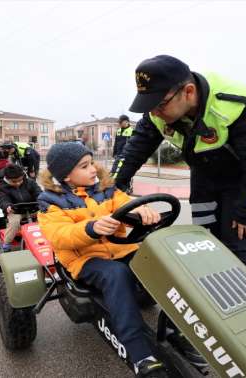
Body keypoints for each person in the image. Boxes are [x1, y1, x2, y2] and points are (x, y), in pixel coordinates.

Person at [115, 55, 246, 268]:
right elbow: (132, 153)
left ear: (189, 92)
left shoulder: (240, 105)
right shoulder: (156, 112)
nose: (154, 112)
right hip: (203, 176)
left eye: (160, 105)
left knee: (236, 246)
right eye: (149, 106)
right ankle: (206, 289)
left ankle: (236, 294)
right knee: (203, 242)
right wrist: (110, 187)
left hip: (241, 181)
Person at [37, 142, 166, 378]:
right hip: (85, 260)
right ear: (66, 175)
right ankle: (140, 355)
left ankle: (180, 330)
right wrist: (91, 228)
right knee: (116, 274)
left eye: (92, 162)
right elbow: (60, 237)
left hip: (120, 250)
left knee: (160, 260)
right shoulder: (50, 202)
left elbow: (126, 203)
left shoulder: (107, 189)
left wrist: (142, 212)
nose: (93, 169)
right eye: (84, 166)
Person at [0, 164, 42, 251]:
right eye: (14, 181)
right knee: (14, 223)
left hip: (33, 209)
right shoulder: (3, 188)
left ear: (23, 176)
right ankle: (7, 243)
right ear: (7, 179)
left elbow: (38, 192)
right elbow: (3, 200)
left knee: (47, 216)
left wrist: (42, 200)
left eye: (20, 180)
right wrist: (7, 206)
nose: (17, 183)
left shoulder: (30, 182)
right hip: (16, 211)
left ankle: (51, 237)